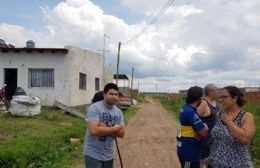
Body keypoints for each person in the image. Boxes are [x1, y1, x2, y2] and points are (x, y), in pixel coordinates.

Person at [205, 86, 256, 168]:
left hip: (237, 164)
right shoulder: (219, 114)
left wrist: (229, 122)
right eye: (220, 97)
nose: (221, 100)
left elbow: (245, 139)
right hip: (215, 164)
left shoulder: (246, 116)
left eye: (224, 97)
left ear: (235, 98)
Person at [83, 83, 125, 168]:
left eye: (116, 94)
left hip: (109, 155)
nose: (114, 96)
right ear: (104, 94)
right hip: (93, 154)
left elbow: (121, 134)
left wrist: (104, 128)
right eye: (111, 94)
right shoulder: (95, 108)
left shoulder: (118, 112)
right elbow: (94, 131)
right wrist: (114, 129)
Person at [177, 86, 209, 168]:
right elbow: (204, 132)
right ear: (199, 99)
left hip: (184, 149)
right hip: (190, 154)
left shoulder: (185, 108)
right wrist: (205, 125)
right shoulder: (191, 112)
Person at [197, 84, 220, 168]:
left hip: (214, 139)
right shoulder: (203, 103)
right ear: (210, 92)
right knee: (202, 161)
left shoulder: (215, 102)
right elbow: (194, 119)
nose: (219, 91)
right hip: (204, 139)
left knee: (211, 161)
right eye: (217, 90)